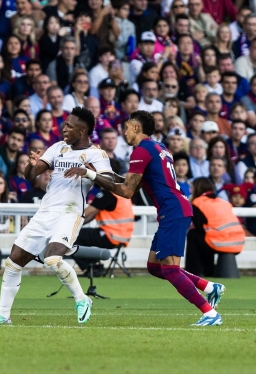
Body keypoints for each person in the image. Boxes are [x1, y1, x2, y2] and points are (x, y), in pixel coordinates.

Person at [76, 110, 225, 326]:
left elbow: (126, 191)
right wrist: (97, 174)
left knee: (170, 269)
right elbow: (131, 183)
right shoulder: (158, 147)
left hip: (173, 210)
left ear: (136, 127)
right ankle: (210, 288)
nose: (124, 131)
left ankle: (209, 313)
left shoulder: (141, 150)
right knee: (155, 267)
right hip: (175, 208)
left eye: (126, 127)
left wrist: (91, 175)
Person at [0, 107, 110, 326]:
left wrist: (88, 172)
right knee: (13, 262)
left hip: (70, 214)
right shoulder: (58, 148)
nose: (64, 127)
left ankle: (82, 299)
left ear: (83, 130)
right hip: (45, 212)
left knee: (52, 259)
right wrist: (31, 166)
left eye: (70, 125)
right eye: (65, 123)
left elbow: (111, 182)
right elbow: (32, 174)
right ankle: (3, 315)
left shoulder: (97, 155)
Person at [73, 159, 134, 276]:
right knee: (80, 234)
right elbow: (89, 216)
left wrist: (70, 225)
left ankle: (94, 267)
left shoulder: (108, 193)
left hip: (110, 236)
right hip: (121, 236)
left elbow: (86, 213)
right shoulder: (118, 191)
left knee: (72, 237)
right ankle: (94, 265)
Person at [187, 177, 246, 277]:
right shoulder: (223, 202)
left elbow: (199, 226)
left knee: (193, 234)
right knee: (207, 236)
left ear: (197, 188)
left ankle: (194, 271)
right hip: (238, 242)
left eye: (192, 187)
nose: (190, 190)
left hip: (218, 242)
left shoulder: (198, 202)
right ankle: (209, 271)